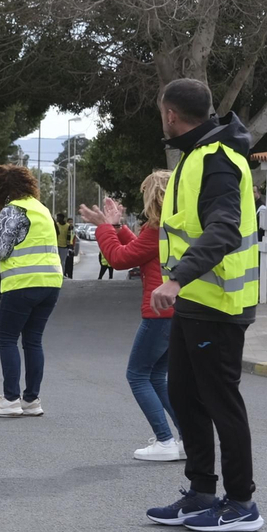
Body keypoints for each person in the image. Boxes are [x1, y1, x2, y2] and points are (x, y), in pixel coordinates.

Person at [143, 78, 262, 532]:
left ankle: (242, 503)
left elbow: (225, 229)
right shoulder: (197, 156)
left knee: (219, 401)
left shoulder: (216, 160)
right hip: (196, 300)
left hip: (219, 302)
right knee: (184, 396)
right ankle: (201, 493)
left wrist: (174, 279)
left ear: (170, 114)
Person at [78, 171, 184, 462]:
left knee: (137, 375)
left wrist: (103, 228)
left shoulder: (155, 229)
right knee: (157, 376)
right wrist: (117, 227)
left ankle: (164, 441)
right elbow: (140, 250)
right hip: (179, 311)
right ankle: (185, 438)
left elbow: (120, 258)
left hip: (158, 313)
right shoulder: (174, 226)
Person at [0, 165, 63, 417]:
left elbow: (0, 252)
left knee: (7, 339)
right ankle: (31, 401)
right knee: (33, 341)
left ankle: (11, 399)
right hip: (51, 283)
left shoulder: (13, 210)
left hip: (23, 282)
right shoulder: (41, 208)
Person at [56, 213, 77, 279]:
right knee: (56, 261)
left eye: (58, 218)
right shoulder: (56, 225)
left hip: (64, 246)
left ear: (62, 218)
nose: (57, 219)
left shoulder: (68, 226)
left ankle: (62, 274)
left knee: (63, 262)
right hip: (56, 246)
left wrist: (70, 246)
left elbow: (70, 237)